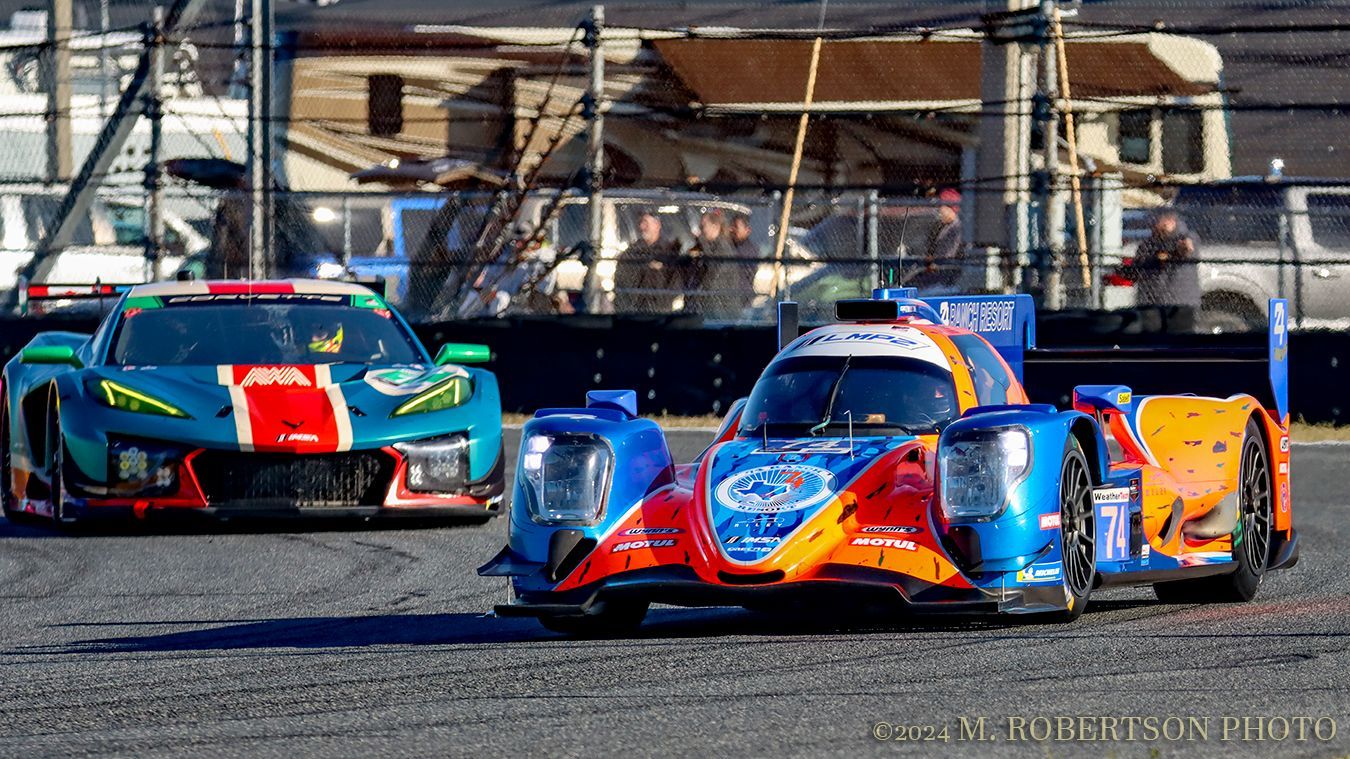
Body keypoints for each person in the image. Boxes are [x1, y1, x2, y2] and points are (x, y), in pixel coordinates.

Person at [1129, 208, 1200, 310]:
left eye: (1157, 222)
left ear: (1171, 221)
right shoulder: (1148, 244)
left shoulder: (1186, 236)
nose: (1154, 225)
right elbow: (1137, 268)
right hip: (1150, 304)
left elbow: (1187, 248)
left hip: (1179, 305)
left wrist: (1179, 250)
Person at [614, 210, 681, 314]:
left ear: (657, 225)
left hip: (659, 309)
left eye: (646, 222)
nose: (642, 226)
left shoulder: (668, 252)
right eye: (641, 222)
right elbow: (620, 277)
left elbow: (676, 280)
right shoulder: (632, 251)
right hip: (634, 309)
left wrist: (663, 300)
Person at [904, 188, 965, 290]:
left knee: (915, 286)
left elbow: (946, 257)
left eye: (942, 207)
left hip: (945, 276)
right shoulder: (942, 227)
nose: (939, 210)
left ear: (951, 208)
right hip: (934, 272)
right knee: (908, 282)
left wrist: (931, 262)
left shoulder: (956, 228)